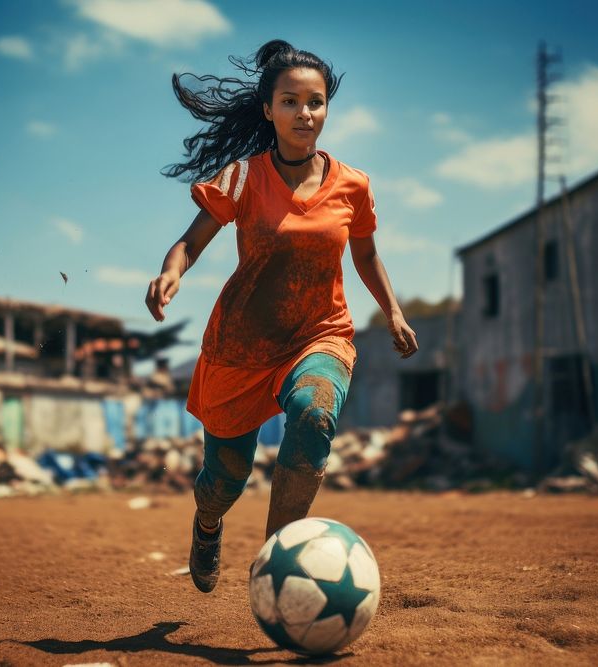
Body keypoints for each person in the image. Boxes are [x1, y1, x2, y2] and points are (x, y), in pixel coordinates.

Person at [146, 39, 418, 593]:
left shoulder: (353, 186)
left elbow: (364, 253)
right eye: (290, 102)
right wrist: (171, 272)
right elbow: (190, 242)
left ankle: (277, 557)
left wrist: (391, 311)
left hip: (320, 333)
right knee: (225, 479)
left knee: (314, 414)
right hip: (241, 345)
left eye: (315, 102)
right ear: (268, 109)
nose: (305, 113)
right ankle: (207, 524)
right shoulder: (242, 177)